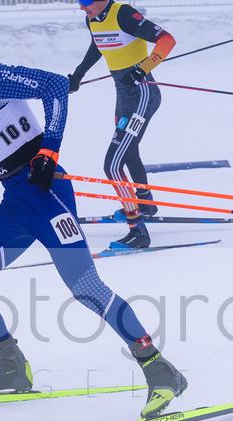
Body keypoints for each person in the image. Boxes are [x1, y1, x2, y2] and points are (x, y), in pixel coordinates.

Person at [0, 17, 186, 419]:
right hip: (17, 202)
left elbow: (54, 86)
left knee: (85, 286)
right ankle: (12, 369)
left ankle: (159, 369)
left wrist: (49, 149)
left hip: (46, 194)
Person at [67, 0, 176, 249]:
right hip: (124, 97)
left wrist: (143, 68)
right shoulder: (92, 19)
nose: (82, 7)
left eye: (86, 2)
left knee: (112, 166)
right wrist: (78, 76)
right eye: (78, 2)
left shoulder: (124, 14)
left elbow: (167, 39)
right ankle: (145, 204)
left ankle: (138, 231)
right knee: (128, 153)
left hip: (142, 96)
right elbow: (98, 45)